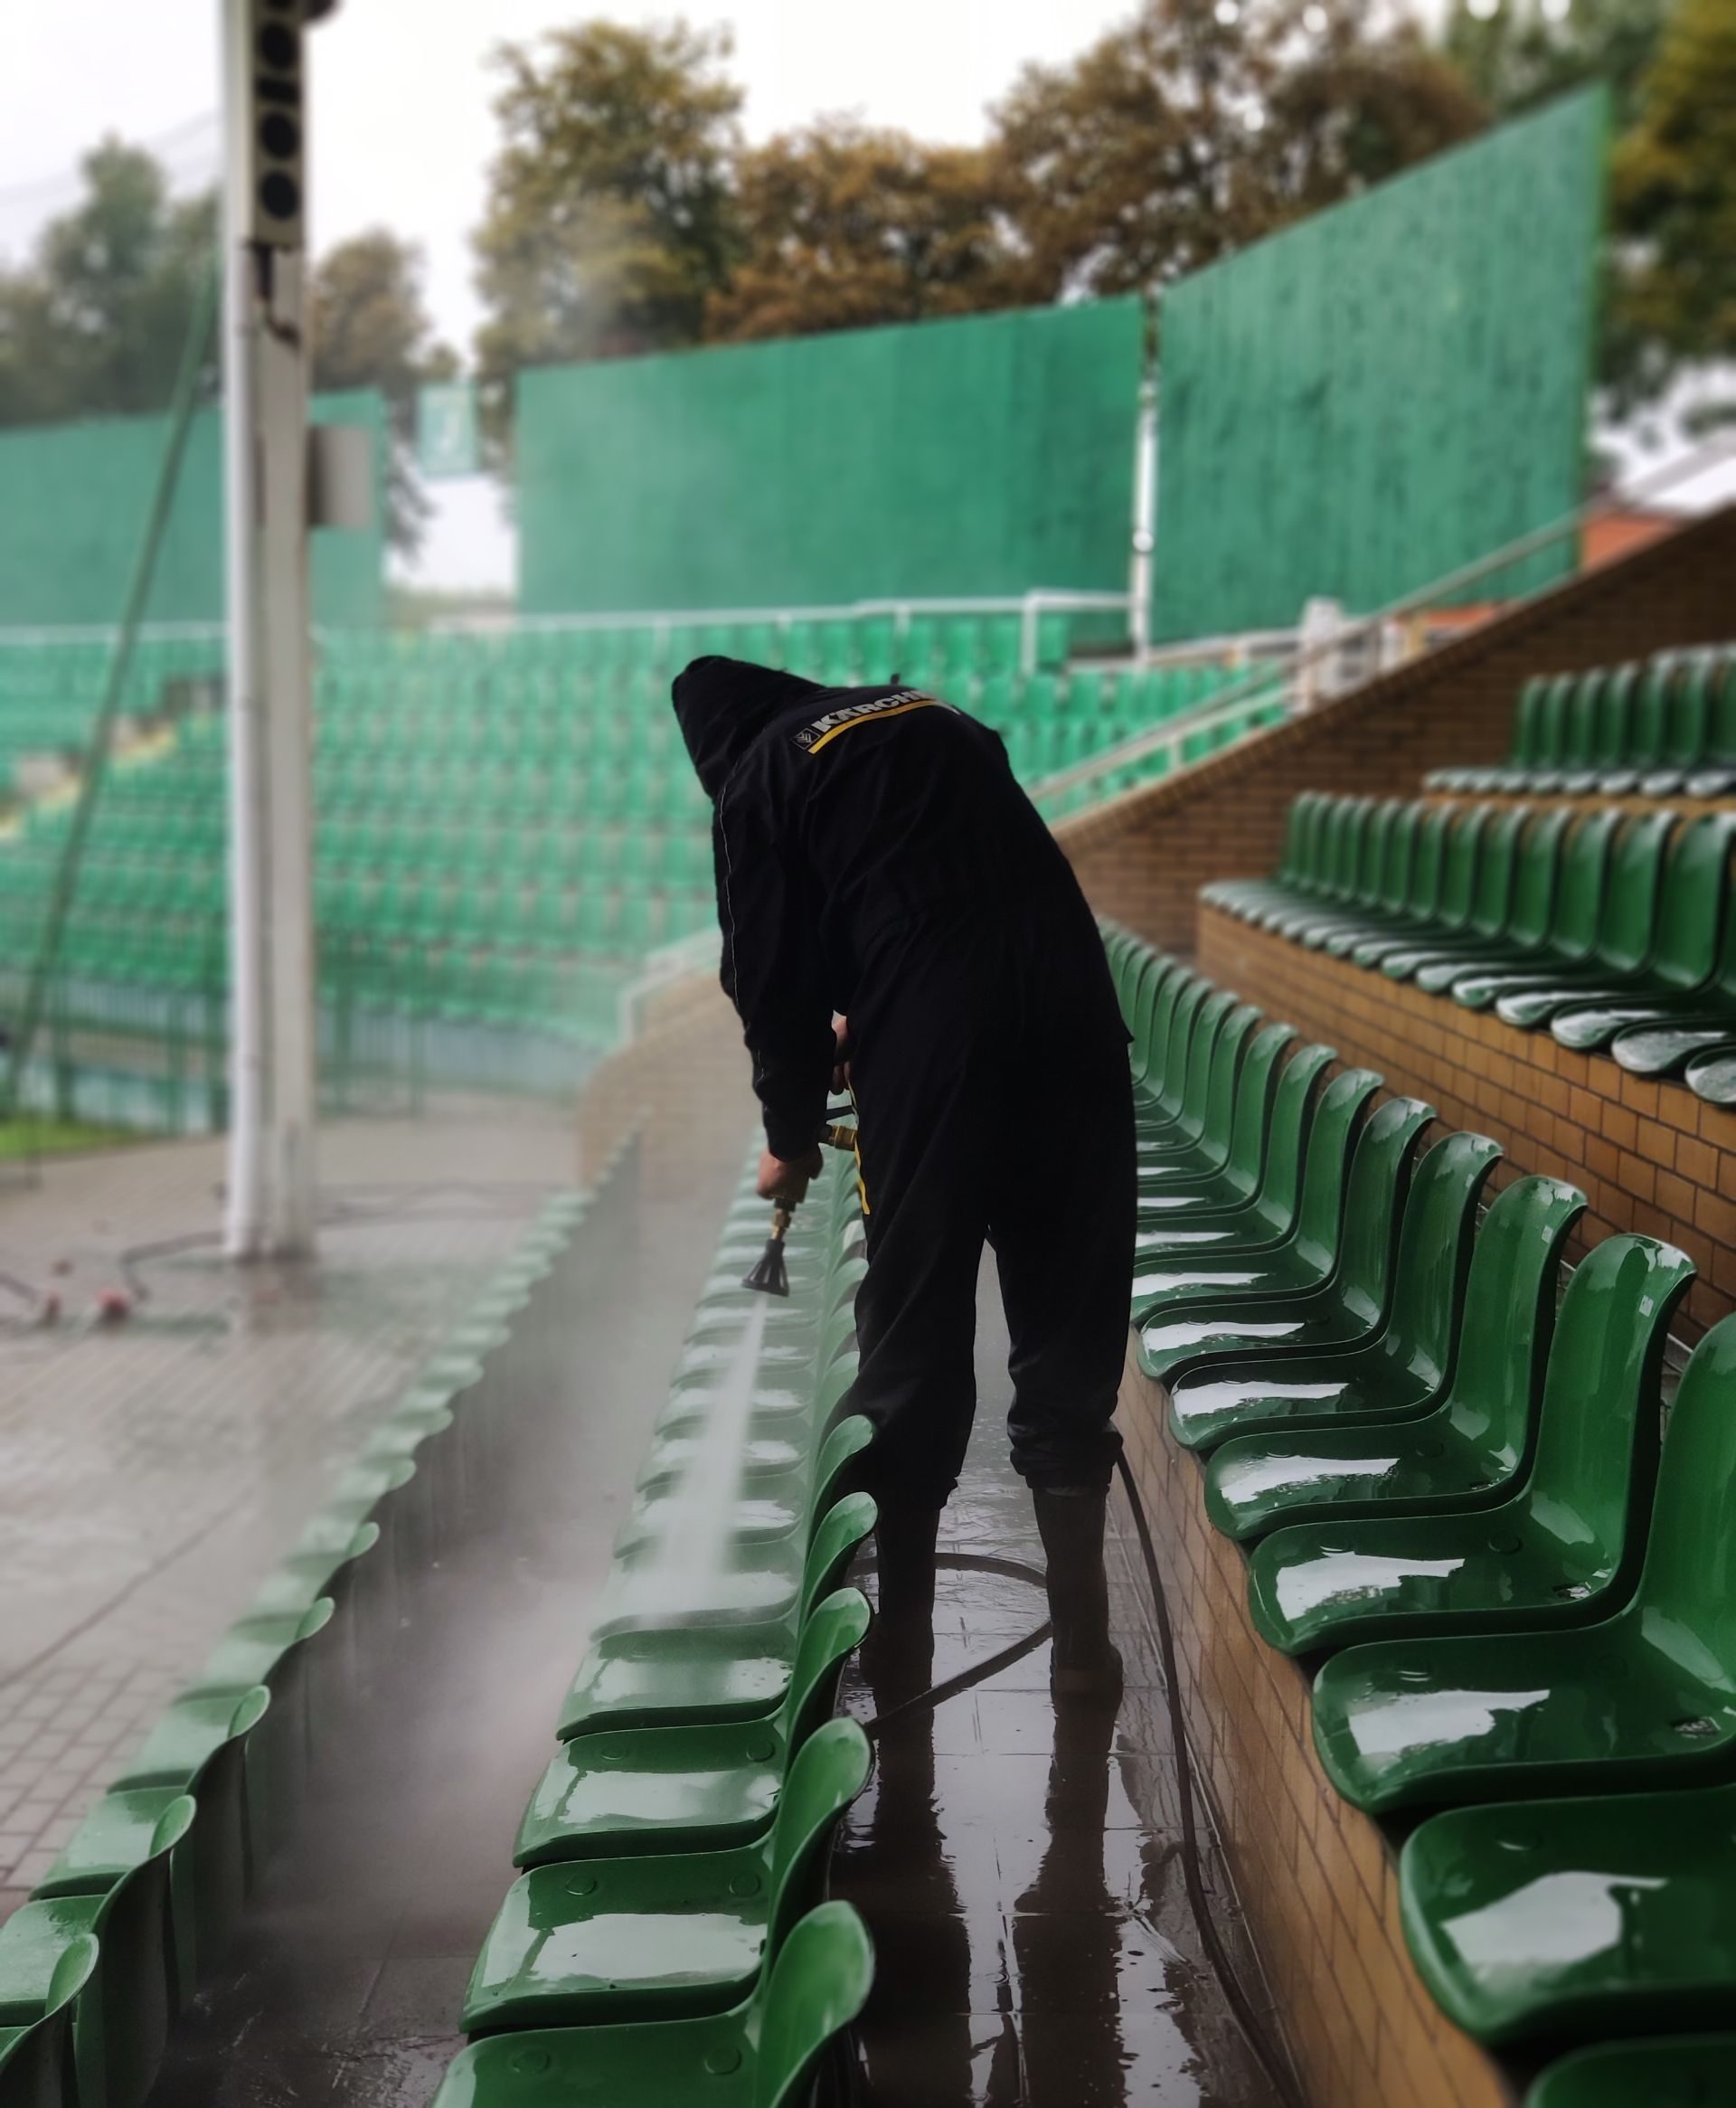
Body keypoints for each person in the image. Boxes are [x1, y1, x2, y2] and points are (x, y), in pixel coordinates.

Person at [672, 656, 1135, 1703]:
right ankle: (1083, 1655)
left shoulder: (758, 774)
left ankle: (903, 1648)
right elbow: (960, 881)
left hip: (941, 1040)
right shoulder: (937, 715)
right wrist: (883, 1004)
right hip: (1075, 1006)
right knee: (1068, 1321)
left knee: (914, 1326)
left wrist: (791, 1136)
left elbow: (766, 976)